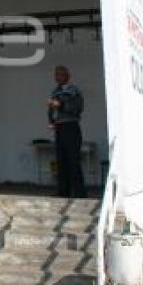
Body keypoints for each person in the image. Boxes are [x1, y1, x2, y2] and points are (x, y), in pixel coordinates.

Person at [47, 65, 86, 198]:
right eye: (56, 75)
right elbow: (52, 109)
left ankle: (79, 193)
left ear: (68, 76)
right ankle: (63, 192)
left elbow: (78, 107)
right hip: (59, 128)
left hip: (71, 127)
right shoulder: (55, 91)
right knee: (61, 160)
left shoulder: (74, 90)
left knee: (73, 160)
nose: (58, 77)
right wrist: (51, 120)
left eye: (61, 74)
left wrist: (61, 105)